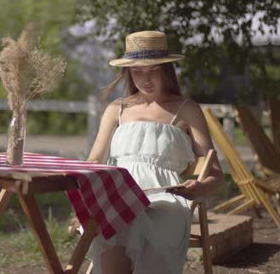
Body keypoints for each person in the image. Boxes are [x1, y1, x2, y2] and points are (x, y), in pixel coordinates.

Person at [87, 30, 224, 274]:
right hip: (119, 197)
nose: (145, 78)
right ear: (128, 71)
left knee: (132, 220)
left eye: (152, 70)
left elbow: (214, 173)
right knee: (118, 218)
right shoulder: (116, 109)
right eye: (137, 71)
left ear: (166, 69)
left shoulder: (187, 109)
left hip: (164, 201)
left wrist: (198, 188)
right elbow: (94, 160)